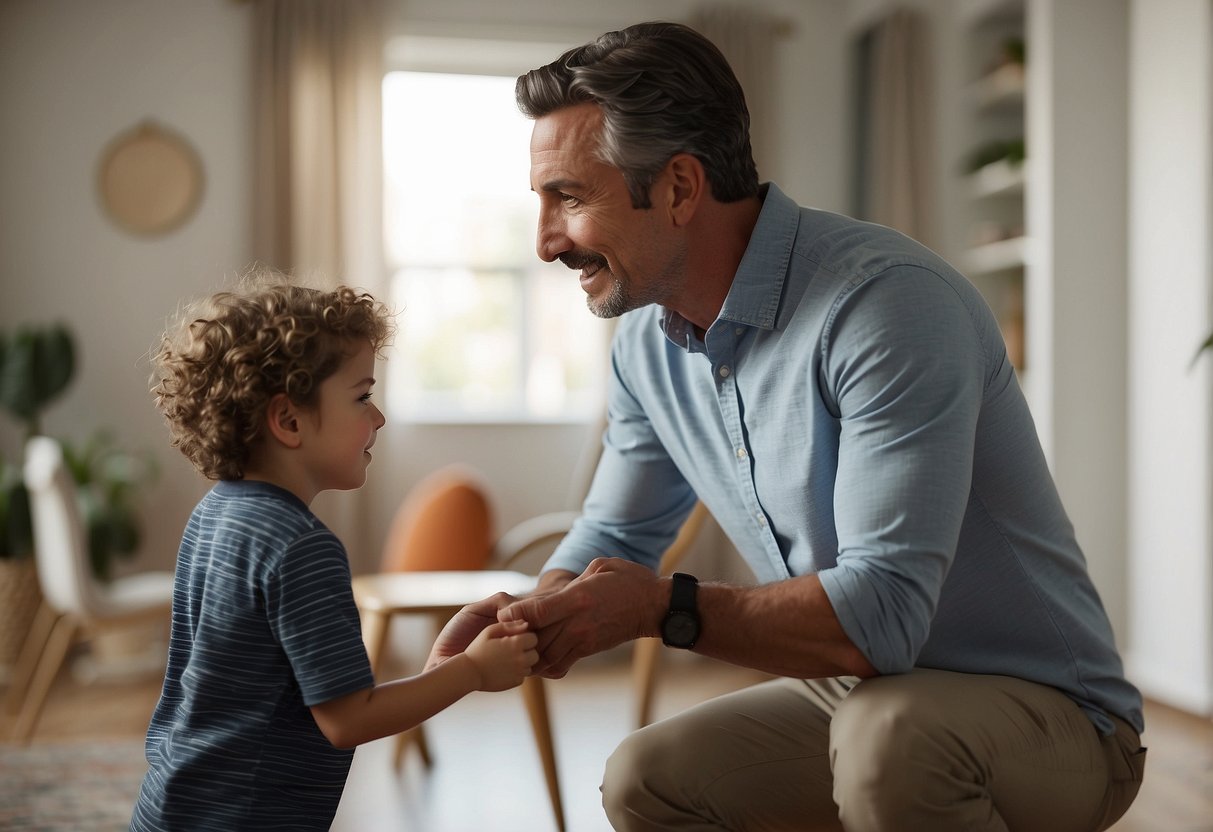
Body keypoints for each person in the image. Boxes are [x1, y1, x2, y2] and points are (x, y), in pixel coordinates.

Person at [428, 20, 1147, 832]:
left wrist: (662, 608)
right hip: (866, 694)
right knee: (646, 777)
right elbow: (616, 535)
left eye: (569, 196)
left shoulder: (886, 306)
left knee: (891, 741)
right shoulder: (644, 347)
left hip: (1054, 716)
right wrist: (534, 612)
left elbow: (881, 618)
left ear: (678, 188)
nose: (544, 241)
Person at [130, 272, 538, 832]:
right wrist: (472, 673)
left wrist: (440, 665)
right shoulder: (301, 546)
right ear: (289, 420)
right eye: (363, 396)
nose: (379, 416)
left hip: (175, 804)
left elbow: (318, 694)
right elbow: (348, 720)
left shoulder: (215, 512)